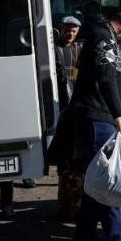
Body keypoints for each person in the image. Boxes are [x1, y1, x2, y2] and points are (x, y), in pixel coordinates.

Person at [70, 4, 121, 241]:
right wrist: (118, 113)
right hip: (97, 117)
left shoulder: (101, 36)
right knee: (109, 180)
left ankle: (84, 232)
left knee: (96, 176)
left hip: (93, 116)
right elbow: (105, 77)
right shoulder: (105, 39)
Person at [38, 16, 83, 192]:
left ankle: (67, 173)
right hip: (56, 101)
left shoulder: (78, 50)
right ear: (61, 29)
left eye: (74, 31)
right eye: (67, 30)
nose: (70, 34)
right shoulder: (52, 49)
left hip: (73, 102)